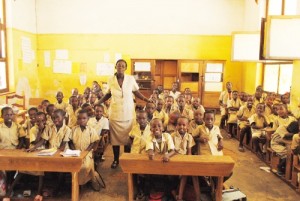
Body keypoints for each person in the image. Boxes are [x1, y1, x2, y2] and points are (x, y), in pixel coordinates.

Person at [96, 59, 151, 169]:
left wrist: (146, 99)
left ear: (125, 68)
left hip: (128, 113)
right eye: (118, 65)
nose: (120, 67)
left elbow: (136, 92)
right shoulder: (110, 79)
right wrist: (98, 102)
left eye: (122, 66)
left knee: (128, 138)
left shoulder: (130, 79)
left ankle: (126, 158)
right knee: (115, 139)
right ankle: (116, 159)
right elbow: (108, 94)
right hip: (115, 114)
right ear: (115, 67)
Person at [69, 109, 101, 191]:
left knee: (85, 166)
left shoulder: (91, 130)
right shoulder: (74, 129)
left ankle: (90, 181)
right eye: (79, 119)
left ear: (88, 119)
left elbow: (93, 142)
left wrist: (86, 151)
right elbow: (70, 142)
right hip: (76, 152)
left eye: (84, 118)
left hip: (87, 152)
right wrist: (74, 151)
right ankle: (77, 183)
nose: (81, 120)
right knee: (73, 166)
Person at [171, 117, 200, 201]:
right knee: (185, 173)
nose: (181, 127)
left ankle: (197, 197)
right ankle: (179, 196)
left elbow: (189, 153)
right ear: (176, 126)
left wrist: (188, 164)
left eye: (184, 125)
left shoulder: (189, 137)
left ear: (187, 126)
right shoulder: (172, 136)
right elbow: (171, 151)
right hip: (175, 160)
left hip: (185, 160)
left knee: (193, 173)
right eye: (179, 125)